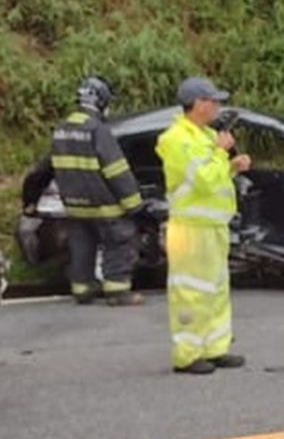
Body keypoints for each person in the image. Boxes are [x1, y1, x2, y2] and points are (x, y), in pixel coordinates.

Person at [156, 75, 252, 374]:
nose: (218, 107)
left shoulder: (205, 136)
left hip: (213, 225)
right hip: (190, 228)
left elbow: (216, 176)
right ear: (198, 104)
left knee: (217, 289)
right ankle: (187, 354)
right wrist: (223, 153)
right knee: (191, 291)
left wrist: (233, 167)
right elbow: (201, 180)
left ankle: (215, 347)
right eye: (214, 101)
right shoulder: (176, 139)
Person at [48, 75, 145, 306]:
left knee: (81, 246)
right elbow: (116, 171)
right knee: (120, 240)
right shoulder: (97, 130)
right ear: (101, 101)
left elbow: (47, 167)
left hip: (75, 205)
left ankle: (83, 290)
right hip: (103, 206)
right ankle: (117, 291)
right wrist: (135, 205)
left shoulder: (61, 129)